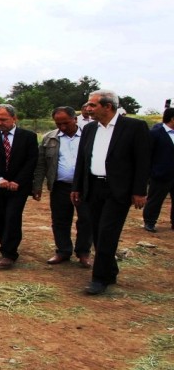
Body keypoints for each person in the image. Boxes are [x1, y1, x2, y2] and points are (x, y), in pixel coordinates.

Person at [71, 89, 151, 295]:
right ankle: (110, 270)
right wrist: (77, 186)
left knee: (107, 232)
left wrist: (139, 191)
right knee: (97, 231)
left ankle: (99, 279)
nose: (87, 108)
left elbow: (143, 162)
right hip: (93, 187)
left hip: (118, 190)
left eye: (92, 105)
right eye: (88, 104)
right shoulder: (89, 129)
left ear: (108, 106)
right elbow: (82, 160)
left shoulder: (134, 127)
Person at [32, 107, 92, 268]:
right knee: (60, 220)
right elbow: (41, 164)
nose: (62, 127)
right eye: (58, 124)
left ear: (75, 119)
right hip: (60, 186)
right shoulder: (49, 138)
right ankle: (63, 251)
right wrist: (37, 186)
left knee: (86, 219)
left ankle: (83, 252)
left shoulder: (89, 136)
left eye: (66, 123)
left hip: (84, 187)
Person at [0, 104, 38, 269]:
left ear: (14, 118)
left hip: (18, 187)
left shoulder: (28, 137)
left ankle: (9, 253)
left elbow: (31, 161)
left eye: (3, 119)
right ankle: (5, 248)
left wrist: (18, 181)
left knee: (13, 217)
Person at [142, 107, 174, 232]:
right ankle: (150, 221)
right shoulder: (155, 133)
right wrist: (150, 172)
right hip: (160, 173)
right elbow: (148, 154)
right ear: (172, 118)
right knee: (155, 199)